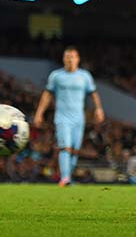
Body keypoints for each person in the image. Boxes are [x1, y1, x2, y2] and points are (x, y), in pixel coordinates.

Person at [34, 46, 105, 186]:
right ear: (63, 59)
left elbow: (94, 93)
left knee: (74, 150)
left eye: (72, 56)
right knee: (65, 147)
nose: (69, 59)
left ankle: (68, 177)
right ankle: (65, 178)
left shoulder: (85, 76)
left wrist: (99, 109)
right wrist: (39, 113)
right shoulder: (56, 76)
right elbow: (47, 94)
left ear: (78, 59)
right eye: (67, 57)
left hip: (79, 118)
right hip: (62, 117)